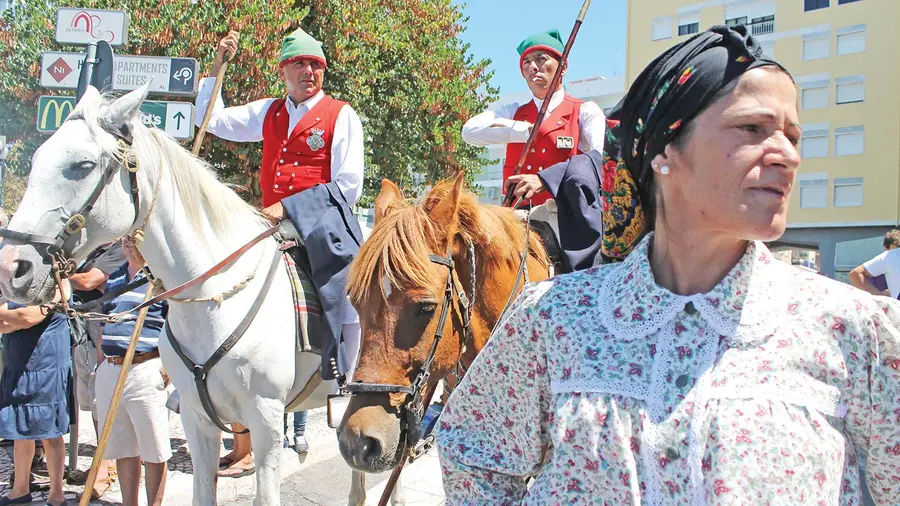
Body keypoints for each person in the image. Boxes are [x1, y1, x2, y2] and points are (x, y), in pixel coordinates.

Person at [437, 25, 898, 504]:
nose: (787, 155)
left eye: (793, 135)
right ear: (664, 152)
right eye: (753, 129)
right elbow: (473, 456)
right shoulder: (551, 318)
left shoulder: (856, 333)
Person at [195, 27, 365, 476]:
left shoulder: (341, 115)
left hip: (322, 225)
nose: (309, 71)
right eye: (301, 64)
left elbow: (348, 186)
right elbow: (208, 119)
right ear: (284, 69)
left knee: (347, 291)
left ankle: (349, 375)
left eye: (316, 65)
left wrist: (287, 208)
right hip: (267, 223)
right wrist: (216, 67)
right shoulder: (268, 111)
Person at [461, 29, 606, 243]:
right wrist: (522, 130)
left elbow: (599, 161)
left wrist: (544, 180)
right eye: (526, 62)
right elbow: (469, 132)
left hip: (562, 219)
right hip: (515, 217)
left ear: (563, 66)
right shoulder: (513, 112)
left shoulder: (585, 110)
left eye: (541, 59)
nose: (532, 66)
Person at [94, 237, 169, 506]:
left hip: (145, 366)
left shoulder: (160, 277)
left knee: (154, 450)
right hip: (111, 369)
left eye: (134, 237)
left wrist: (166, 369)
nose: (128, 242)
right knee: (124, 449)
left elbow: (176, 325)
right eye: (125, 238)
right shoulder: (114, 277)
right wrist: (101, 364)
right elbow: (105, 323)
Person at [0, 281, 72, 506]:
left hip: (46, 364)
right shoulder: (9, 285)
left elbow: (27, 318)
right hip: (18, 362)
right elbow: (6, 324)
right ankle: (20, 490)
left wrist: (13, 318)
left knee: (49, 433)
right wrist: (15, 319)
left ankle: (57, 494)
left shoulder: (59, 282)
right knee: (21, 431)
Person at [850, 229, 900, 297]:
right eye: (896, 248)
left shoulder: (887, 259)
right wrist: (881, 298)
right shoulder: (885, 260)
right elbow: (856, 274)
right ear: (885, 248)